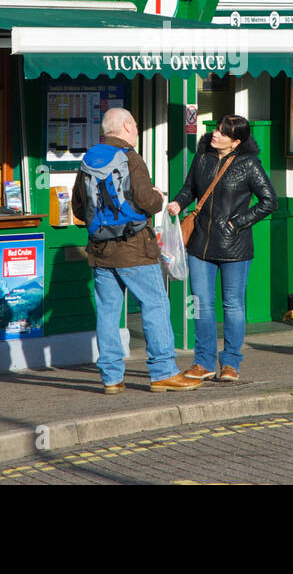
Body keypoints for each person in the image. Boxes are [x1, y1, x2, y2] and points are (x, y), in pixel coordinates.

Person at [72, 107, 201, 394]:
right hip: (133, 248)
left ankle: (111, 378)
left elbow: (79, 208)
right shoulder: (130, 158)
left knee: (107, 313)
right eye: (136, 125)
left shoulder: (89, 159)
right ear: (128, 125)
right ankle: (163, 372)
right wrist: (157, 196)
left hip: (100, 249)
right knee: (155, 305)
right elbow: (148, 202)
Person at [167, 115, 278, 383]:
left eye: (222, 133)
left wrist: (237, 223)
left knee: (233, 305)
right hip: (200, 245)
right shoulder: (203, 157)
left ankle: (230, 363)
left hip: (234, 246)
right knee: (202, 305)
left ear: (236, 141)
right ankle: (203, 362)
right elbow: (189, 189)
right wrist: (178, 204)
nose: (214, 134)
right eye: (216, 129)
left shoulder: (248, 164)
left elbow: (269, 201)